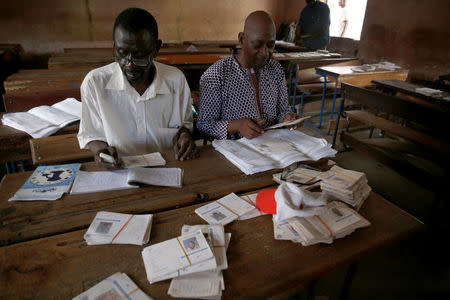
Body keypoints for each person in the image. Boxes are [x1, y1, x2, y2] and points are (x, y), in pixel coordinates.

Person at [78, 8, 196, 169]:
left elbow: (184, 125)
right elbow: (92, 135)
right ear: (114, 46)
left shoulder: (175, 80)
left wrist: (184, 137)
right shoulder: (95, 83)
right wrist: (101, 152)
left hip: (167, 168)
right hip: (120, 170)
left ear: (156, 49)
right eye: (121, 52)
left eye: (139, 55)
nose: (129, 63)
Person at [197, 11, 297, 140]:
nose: (265, 53)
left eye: (271, 45)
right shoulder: (217, 74)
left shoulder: (276, 70)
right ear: (242, 40)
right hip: (234, 152)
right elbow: (204, 125)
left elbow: (283, 109)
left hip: (273, 146)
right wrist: (237, 126)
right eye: (257, 45)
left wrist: (288, 118)